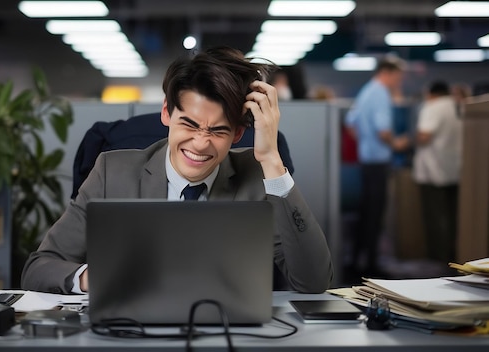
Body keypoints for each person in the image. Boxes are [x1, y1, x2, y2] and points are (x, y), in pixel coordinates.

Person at [21, 47, 333, 294]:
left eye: (218, 131)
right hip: (131, 335)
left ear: (238, 135)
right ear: (167, 113)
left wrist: (272, 161)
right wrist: (93, 278)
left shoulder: (259, 179)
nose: (200, 143)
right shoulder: (111, 172)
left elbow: (313, 281)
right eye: (189, 123)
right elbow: (39, 268)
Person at [344, 56, 409, 277]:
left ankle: (356, 262)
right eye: (398, 77)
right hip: (378, 162)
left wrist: (365, 140)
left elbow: (350, 123)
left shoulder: (366, 91)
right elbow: (384, 131)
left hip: (366, 160)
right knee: (375, 215)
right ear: (387, 73)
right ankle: (371, 266)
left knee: (366, 214)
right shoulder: (381, 93)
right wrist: (397, 143)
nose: (398, 82)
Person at [412, 81, 462, 263]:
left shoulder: (432, 107)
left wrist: (411, 140)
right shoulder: (458, 106)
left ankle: (438, 258)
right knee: (453, 216)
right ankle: (453, 253)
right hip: (455, 170)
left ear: (431, 94)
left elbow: (424, 135)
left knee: (434, 216)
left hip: (433, 171)